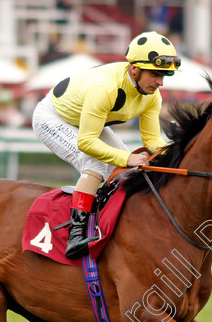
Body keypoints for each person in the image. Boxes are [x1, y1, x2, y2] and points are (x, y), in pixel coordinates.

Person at [32, 31, 179, 259]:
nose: (160, 82)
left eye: (165, 76)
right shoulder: (105, 89)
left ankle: (112, 222)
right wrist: (126, 157)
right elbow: (87, 142)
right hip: (52, 117)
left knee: (127, 170)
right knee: (95, 162)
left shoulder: (152, 95)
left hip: (84, 122)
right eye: (155, 74)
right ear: (134, 69)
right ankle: (76, 233)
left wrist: (177, 152)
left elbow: (151, 141)